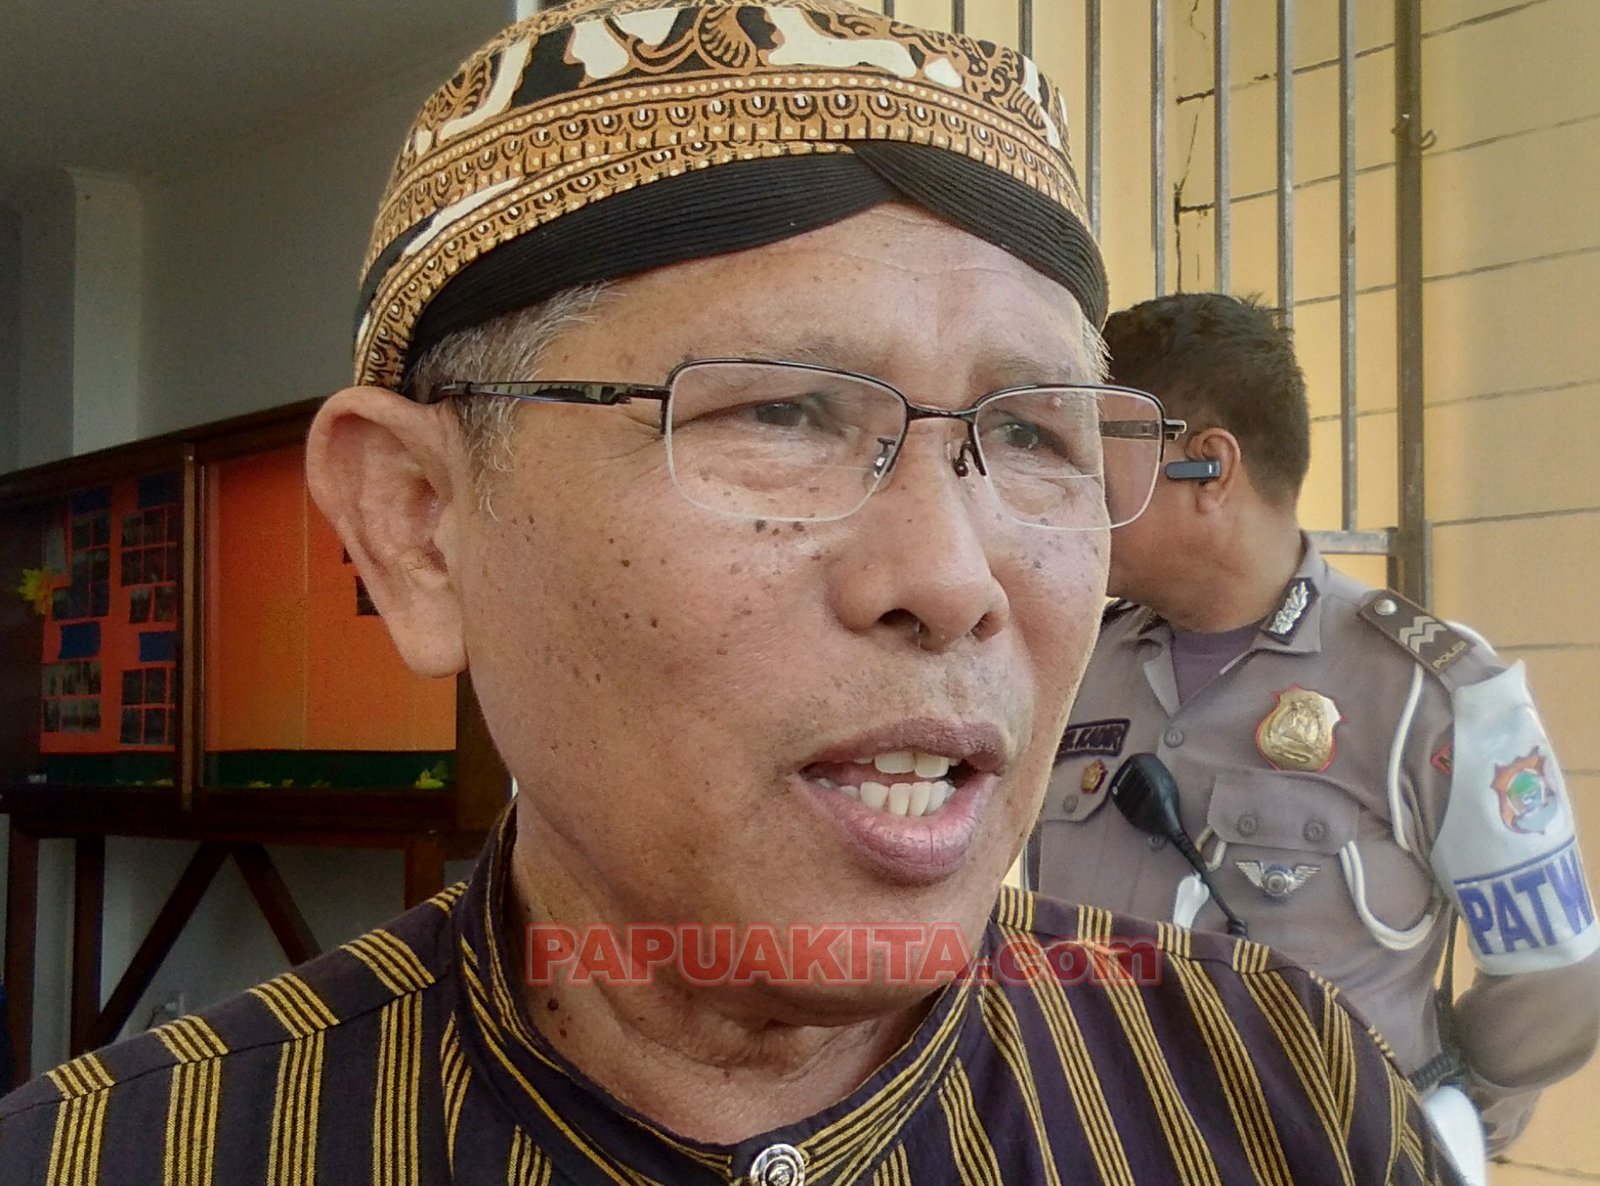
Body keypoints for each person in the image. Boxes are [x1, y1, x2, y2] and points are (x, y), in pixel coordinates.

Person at [1, 6, 1463, 1182]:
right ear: (421, 526)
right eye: (781, 411)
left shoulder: (1278, 1095)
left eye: (1031, 435)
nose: (951, 577)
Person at [1033, 292, 1600, 1181]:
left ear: (1207, 467)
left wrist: (1435, 1119)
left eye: (1097, 467)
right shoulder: (1075, 667)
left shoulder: (1423, 694)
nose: (1073, 502)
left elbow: (1554, 979)